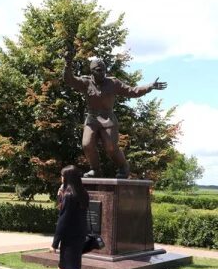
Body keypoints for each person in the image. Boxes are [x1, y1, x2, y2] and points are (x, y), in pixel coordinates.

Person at [63, 50, 167, 178]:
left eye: (104, 70)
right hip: (92, 118)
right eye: (98, 70)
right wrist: (67, 63)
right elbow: (69, 80)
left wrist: (149, 86)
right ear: (92, 71)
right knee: (87, 144)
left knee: (111, 146)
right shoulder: (86, 82)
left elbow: (132, 91)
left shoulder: (113, 83)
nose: (102, 73)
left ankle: (123, 167)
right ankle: (95, 170)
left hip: (108, 119)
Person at [40, 165, 89, 269]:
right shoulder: (82, 193)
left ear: (67, 177)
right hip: (78, 237)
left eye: (62, 176)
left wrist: (54, 243)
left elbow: (63, 220)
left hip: (70, 240)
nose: (60, 178)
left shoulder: (69, 195)